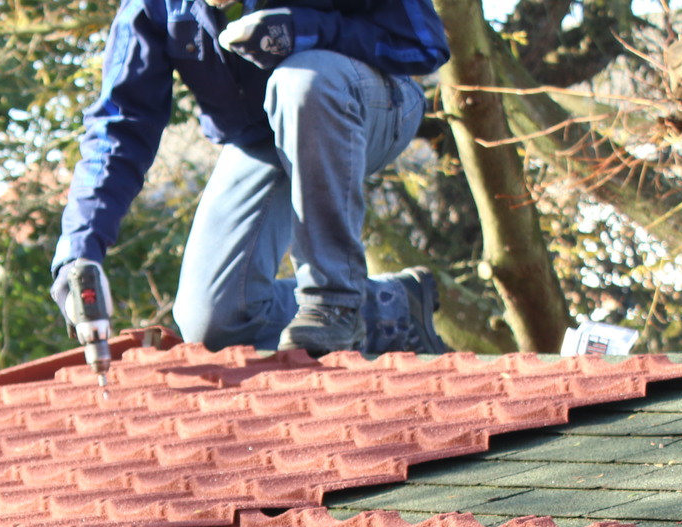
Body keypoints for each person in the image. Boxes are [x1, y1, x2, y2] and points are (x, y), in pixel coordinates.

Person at [52, 1, 451, 358]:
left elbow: (423, 44)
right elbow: (120, 127)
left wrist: (304, 32)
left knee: (301, 82)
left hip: (371, 103)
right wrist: (80, 252)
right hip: (262, 135)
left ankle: (334, 302)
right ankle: (389, 309)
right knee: (212, 323)